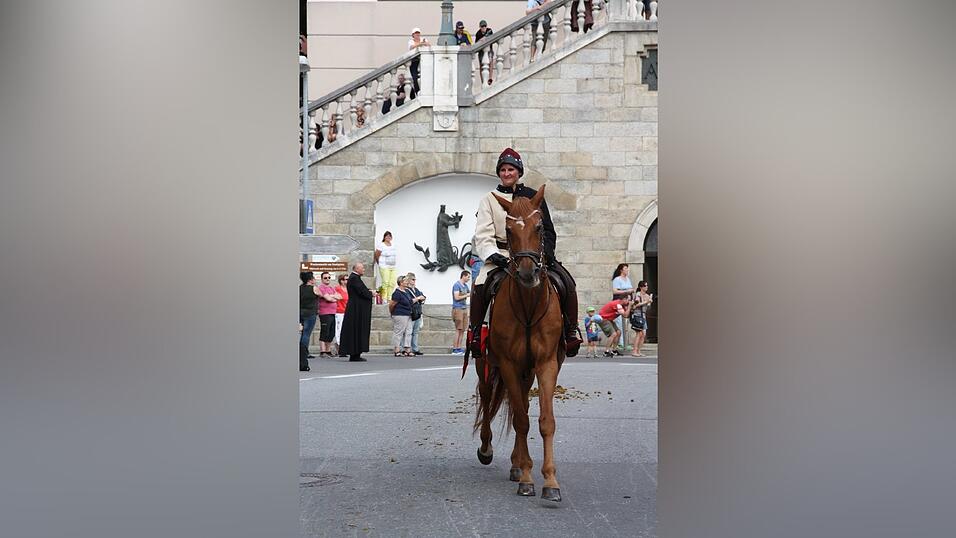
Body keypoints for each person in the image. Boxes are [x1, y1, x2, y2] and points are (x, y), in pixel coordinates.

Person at [468, 147, 583, 357]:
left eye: (511, 169)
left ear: (519, 172)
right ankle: (475, 334)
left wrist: (546, 255)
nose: (507, 173)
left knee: (566, 281)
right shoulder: (489, 199)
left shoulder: (533, 196)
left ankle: (570, 331)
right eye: (503, 170)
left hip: (535, 254)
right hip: (501, 255)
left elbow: (547, 229)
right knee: (480, 284)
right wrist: (493, 255)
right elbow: (482, 233)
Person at [339, 262, 374, 362]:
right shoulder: (354, 278)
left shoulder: (355, 278)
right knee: (355, 330)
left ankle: (356, 353)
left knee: (356, 330)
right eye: (362, 268)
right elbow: (362, 291)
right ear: (356, 269)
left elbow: (361, 290)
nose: (364, 270)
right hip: (356, 309)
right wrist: (370, 293)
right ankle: (354, 353)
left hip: (356, 308)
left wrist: (369, 292)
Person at [315, 272, 341, 357]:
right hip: (325, 313)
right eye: (325, 278)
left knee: (331, 333)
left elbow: (339, 297)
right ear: (322, 279)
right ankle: (323, 351)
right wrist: (333, 297)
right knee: (325, 332)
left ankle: (328, 350)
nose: (327, 279)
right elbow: (328, 299)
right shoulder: (321, 288)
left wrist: (331, 296)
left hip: (333, 312)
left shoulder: (331, 288)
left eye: (329, 277)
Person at [299, 272, 320, 371]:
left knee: (302, 333)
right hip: (310, 313)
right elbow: (322, 294)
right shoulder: (314, 288)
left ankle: (300, 351)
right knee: (306, 334)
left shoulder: (300, 288)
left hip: (300, 312)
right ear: (310, 280)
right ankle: (304, 353)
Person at [389, 275, 414, 357]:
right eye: (405, 281)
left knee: (409, 332)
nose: (407, 282)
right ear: (401, 283)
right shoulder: (397, 293)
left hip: (408, 314)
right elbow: (392, 304)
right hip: (400, 314)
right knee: (399, 332)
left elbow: (410, 301)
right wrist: (392, 313)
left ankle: (407, 349)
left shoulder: (407, 291)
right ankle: (397, 349)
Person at [612, 263, 635, 351]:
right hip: (619, 303)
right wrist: (626, 291)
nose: (627, 270)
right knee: (619, 323)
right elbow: (615, 291)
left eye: (627, 268)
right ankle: (620, 343)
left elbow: (630, 289)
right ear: (621, 270)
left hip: (627, 303)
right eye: (626, 268)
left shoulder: (627, 279)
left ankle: (625, 342)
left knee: (625, 324)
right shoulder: (617, 279)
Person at [404, 273, 426, 355]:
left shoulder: (416, 290)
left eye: (414, 279)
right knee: (408, 332)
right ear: (409, 280)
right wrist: (418, 298)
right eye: (413, 279)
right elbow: (409, 301)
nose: (414, 281)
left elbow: (422, 296)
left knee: (416, 332)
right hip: (411, 313)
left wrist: (422, 298)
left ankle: (415, 348)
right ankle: (406, 348)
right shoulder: (406, 290)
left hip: (418, 312)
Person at [631, 280, 654, 357]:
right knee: (639, 333)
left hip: (643, 315)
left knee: (644, 334)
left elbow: (648, 308)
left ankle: (639, 351)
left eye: (647, 285)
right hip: (637, 314)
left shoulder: (647, 295)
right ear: (641, 287)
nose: (647, 287)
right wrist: (646, 302)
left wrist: (649, 303)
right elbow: (636, 305)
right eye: (645, 286)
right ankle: (634, 351)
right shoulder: (638, 294)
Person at [451, 270, 471, 354]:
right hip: (458, 308)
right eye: (468, 277)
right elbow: (456, 297)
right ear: (463, 276)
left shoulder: (465, 286)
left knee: (463, 329)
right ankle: (455, 349)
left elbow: (470, 293)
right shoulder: (457, 285)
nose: (469, 279)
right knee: (458, 329)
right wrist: (467, 295)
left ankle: (459, 347)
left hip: (464, 308)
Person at [375, 231, 398, 302]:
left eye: (390, 236)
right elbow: (377, 254)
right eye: (387, 236)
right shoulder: (381, 245)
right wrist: (379, 262)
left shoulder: (393, 245)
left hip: (392, 266)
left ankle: (389, 297)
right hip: (384, 266)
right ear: (384, 237)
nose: (388, 237)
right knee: (385, 282)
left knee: (392, 282)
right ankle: (384, 298)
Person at [407, 28, 429, 94]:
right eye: (416, 33)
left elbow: (428, 45)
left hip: (422, 60)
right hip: (414, 61)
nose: (417, 34)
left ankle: (424, 90)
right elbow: (411, 47)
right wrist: (421, 44)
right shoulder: (410, 41)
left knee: (423, 76)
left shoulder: (423, 39)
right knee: (415, 77)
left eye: (418, 33)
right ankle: (417, 91)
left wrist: (423, 43)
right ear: (413, 35)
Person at [333, 273, 349, 356]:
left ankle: (344, 347)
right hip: (339, 311)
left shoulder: (349, 289)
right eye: (346, 279)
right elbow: (334, 296)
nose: (347, 281)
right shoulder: (337, 288)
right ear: (341, 281)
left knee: (346, 330)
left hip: (348, 312)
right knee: (339, 330)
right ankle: (340, 348)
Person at [474, 20, 495, 84]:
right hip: (481, 51)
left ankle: (490, 78)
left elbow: (491, 36)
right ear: (480, 27)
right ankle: (483, 81)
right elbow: (476, 43)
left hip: (489, 49)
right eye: (482, 26)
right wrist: (481, 40)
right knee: (481, 66)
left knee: (491, 62)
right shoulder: (478, 33)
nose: (484, 27)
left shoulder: (489, 30)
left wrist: (484, 38)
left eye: (485, 26)